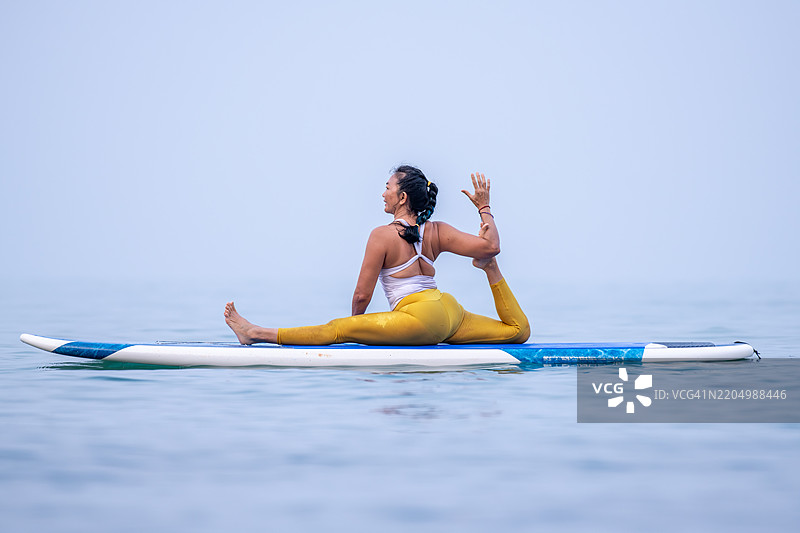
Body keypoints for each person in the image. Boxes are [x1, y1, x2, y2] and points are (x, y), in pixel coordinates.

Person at [224, 166, 530, 345]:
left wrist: (353, 330)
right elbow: (491, 246)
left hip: (419, 320)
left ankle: (254, 332)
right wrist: (484, 207)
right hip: (449, 312)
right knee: (517, 332)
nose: (383, 193)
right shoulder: (438, 231)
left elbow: (361, 295)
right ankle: (491, 271)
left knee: (336, 328)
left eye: (387, 188)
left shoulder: (382, 235)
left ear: (402, 197)